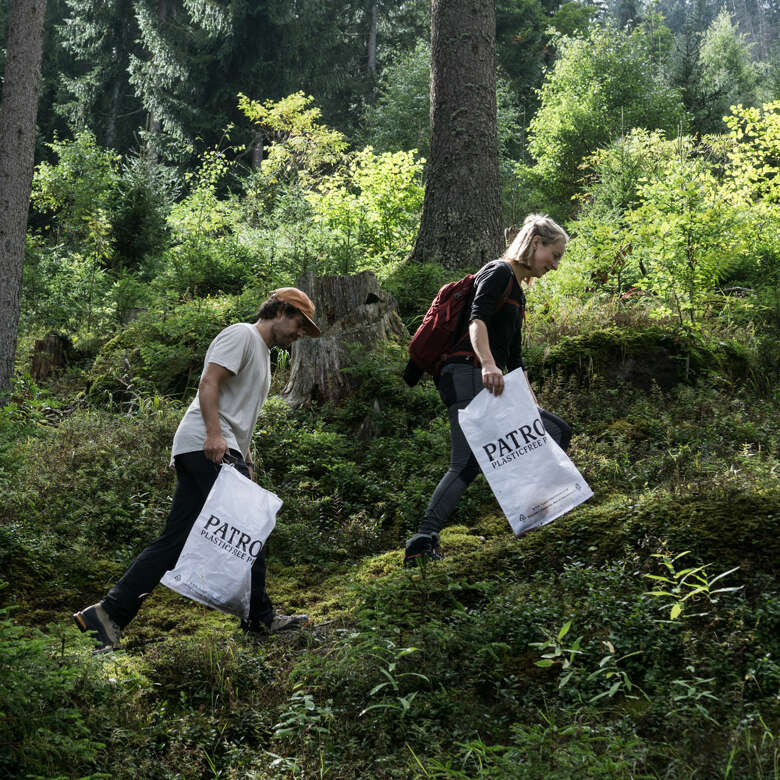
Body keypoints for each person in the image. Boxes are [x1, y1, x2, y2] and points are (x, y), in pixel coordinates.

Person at [73, 288, 321, 650]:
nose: (301, 333)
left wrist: (247, 461)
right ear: (281, 311)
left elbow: (243, 419)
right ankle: (261, 619)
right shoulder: (243, 335)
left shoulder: (264, 356)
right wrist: (215, 434)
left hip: (218, 447)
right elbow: (209, 382)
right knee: (251, 525)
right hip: (205, 443)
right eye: (301, 324)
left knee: (175, 541)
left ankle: (108, 615)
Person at [404, 214, 571, 567]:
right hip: (466, 373)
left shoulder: (517, 291)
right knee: (465, 462)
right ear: (535, 243)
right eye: (553, 256)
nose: (554, 266)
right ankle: (423, 541)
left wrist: (530, 403)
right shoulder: (498, 272)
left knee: (553, 430)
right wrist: (487, 364)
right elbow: (476, 320)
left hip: (484, 375)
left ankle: (534, 515)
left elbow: (515, 360)